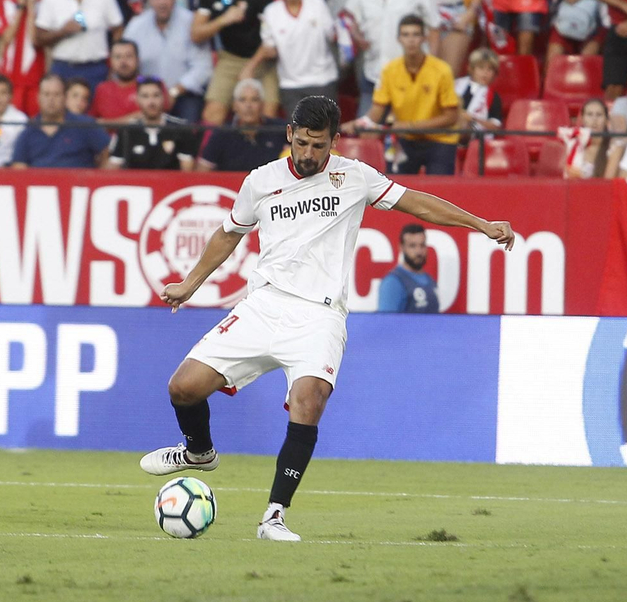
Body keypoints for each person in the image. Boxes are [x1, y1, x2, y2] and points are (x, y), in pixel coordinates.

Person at [139, 96, 514, 542]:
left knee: (309, 400)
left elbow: (416, 203)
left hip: (319, 314)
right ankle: (199, 453)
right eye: (301, 143)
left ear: (334, 141)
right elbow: (228, 234)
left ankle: (274, 516)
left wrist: (480, 223)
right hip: (264, 304)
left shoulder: (354, 176)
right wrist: (190, 284)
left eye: (318, 145)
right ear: (289, 137)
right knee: (182, 387)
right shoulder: (261, 181)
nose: (308, 154)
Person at [345, 15, 460, 174]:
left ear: (424, 38)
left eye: (415, 34)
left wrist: (411, 126)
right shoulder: (390, 70)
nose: (411, 40)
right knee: (396, 189)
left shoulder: (442, 70)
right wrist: (358, 124)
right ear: (399, 39)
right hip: (405, 140)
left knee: (441, 192)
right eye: (406, 35)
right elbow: (376, 112)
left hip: (440, 140)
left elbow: (451, 117)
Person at [347, 0, 436, 118]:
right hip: (373, 72)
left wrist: (432, 68)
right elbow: (350, 20)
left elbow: (434, 26)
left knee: (410, 134)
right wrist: (357, 37)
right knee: (366, 136)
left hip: (412, 75)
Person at [193, 0, 278, 125]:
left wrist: (251, 67)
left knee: (269, 113)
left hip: (262, 59)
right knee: (212, 113)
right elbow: (196, 33)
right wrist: (225, 19)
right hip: (229, 59)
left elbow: (274, 37)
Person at [244, 0, 339, 118]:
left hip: (323, 80)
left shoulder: (317, 4)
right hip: (290, 84)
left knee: (324, 130)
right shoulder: (271, 11)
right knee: (298, 134)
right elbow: (270, 48)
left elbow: (332, 35)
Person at [124, 0, 212, 123]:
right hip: (146, 96)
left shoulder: (191, 22)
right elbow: (125, 60)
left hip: (183, 95)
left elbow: (203, 67)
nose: (162, 2)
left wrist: (173, 92)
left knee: (186, 129)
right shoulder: (136, 26)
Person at [34, 0, 122, 85]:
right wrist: (62, 32)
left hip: (96, 67)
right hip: (63, 68)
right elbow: (38, 38)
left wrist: (113, 64)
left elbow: (118, 29)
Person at [10, 74, 111, 168]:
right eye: (46, 94)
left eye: (56, 94)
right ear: (38, 97)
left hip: (79, 184)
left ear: (65, 97)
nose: (51, 99)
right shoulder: (27, 133)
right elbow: (19, 169)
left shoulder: (85, 125)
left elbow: (106, 154)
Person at [108, 78, 199, 171]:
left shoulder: (181, 128)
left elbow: (188, 173)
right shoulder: (126, 130)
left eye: (156, 95)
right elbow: (112, 170)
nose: (151, 102)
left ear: (164, 98)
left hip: (171, 184)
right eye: (145, 96)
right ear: (137, 100)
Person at [198, 78, 285, 171]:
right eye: (242, 100)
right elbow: (202, 172)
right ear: (234, 106)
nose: (248, 105)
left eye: (254, 100)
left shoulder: (279, 130)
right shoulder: (221, 133)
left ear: (262, 104)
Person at [0, 0, 45, 114]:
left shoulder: (44, 5)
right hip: (9, 76)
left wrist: (31, 9)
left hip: (34, 75)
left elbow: (36, 39)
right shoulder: (4, 4)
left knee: (32, 120)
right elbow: (6, 37)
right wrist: (20, 7)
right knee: (7, 122)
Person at [377, 224, 439, 312]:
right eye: (412, 246)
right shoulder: (393, 282)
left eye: (422, 245)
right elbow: (386, 322)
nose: (419, 251)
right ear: (401, 248)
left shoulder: (430, 280)